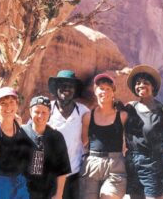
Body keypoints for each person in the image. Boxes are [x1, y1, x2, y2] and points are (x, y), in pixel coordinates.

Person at [124, 64, 163, 199]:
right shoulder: (129, 108)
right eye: (138, 83)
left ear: (153, 87)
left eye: (145, 83)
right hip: (133, 163)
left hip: (155, 164)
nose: (141, 85)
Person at [79, 73, 128, 199]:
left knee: (108, 197)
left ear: (113, 93)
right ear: (95, 91)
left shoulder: (122, 116)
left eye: (108, 89)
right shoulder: (88, 117)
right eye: (101, 88)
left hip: (115, 164)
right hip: (92, 164)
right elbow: (84, 141)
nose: (104, 92)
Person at [47, 70, 89, 199]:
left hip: (74, 173)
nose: (66, 88)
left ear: (75, 90)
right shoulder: (46, 109)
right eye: (62, 85)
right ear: (56, 88)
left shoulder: (83, 111)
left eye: (70, 85)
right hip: (49, 173)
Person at [22, 95, 71, 199]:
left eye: (44, 112)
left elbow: (62, 170)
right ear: (30, 112)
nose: (40, 116)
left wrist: (59, 194)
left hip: (48, 193)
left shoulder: (57, 137)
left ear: (50, 114)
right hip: (22, 192)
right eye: (37, 112)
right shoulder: (21, 133)